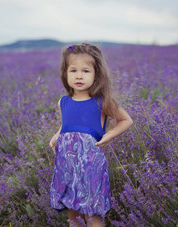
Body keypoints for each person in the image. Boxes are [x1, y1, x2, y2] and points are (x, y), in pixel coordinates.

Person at [49, 43, 133, 227]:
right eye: (73, 70)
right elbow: (67, 125)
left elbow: (126, 120)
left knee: (91, 212)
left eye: (86, 71)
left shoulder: (101, 102)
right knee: (72, 210)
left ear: (96, 74)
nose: (79, 75)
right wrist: (57, 136)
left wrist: (108, 135)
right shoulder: (63, 102)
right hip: (66, 165)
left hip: (89, 166)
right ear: (65, 73)